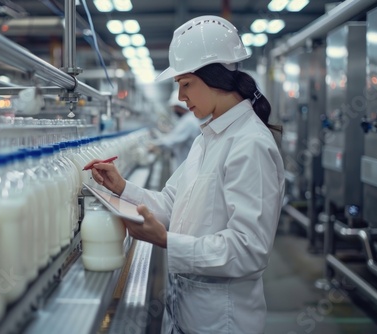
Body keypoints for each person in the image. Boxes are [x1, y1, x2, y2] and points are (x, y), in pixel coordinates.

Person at [84, 15, 285, 334]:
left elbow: (249, 249)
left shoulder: (250, 145)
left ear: (216, 77)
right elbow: (170, 202)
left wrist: (167, 241)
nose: (180, 97)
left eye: (185, 84)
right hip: (186, 313)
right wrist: (121, 188)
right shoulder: (206, 140)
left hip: (223, 321)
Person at [151, 89, 201, 172]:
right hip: (186, 163)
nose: (174, 109)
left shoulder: (188, 121)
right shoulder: (187, 119)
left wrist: (154, 145)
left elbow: (170, 141)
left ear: (180, 106)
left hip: (187, 166)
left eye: (174, 107)